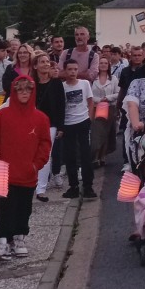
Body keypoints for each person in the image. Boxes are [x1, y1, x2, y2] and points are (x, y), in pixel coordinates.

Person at [0, 76, 51, 261]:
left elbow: (45, 144)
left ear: (33, 92)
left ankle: (19, 238)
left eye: (28, 90)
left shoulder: (41, 118)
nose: (24, 93)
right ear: (13, 92)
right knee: (5, 208)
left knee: (24, 207)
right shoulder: (2, 114)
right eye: (20, 90)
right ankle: (3, 242)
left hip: (28, 172)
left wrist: (36, 164)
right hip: (5, 172)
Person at [60, 60, 96, 199]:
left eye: (75, 69)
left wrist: (89, 118)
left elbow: (90, 102)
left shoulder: (84, 84)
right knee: (70, 156)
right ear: (65, 71)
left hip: (83, 121)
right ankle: (73, 186)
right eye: (70, 69)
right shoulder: (62, 87)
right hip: (68, 124)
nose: (73, 72)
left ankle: (88, 186)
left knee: (85, 155)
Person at [32, 52, 65, 202]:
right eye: (42, 62)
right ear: (35, 66)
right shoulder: (31, 84)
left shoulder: (56, 83)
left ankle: (41, 189)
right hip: (32, 124)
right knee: (31, 154)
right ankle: (30, 183)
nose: (46, 64)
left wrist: (60, 126)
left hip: (50, 124)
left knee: (46, 155)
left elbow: (61, 106)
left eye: (47, 62)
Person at [91, 57, 120, 167]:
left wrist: (107, 98)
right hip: (96, 108)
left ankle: (102, 157)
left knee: (107, 133)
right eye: (101, 63)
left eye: (105, 63)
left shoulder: (114, 79)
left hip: (109, 108)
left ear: (108, 65)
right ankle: (95, 157)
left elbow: (118, 93)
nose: (103, 65)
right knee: (97, 134)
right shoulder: (93, 79)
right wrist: (99, 100)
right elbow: (89, 94)